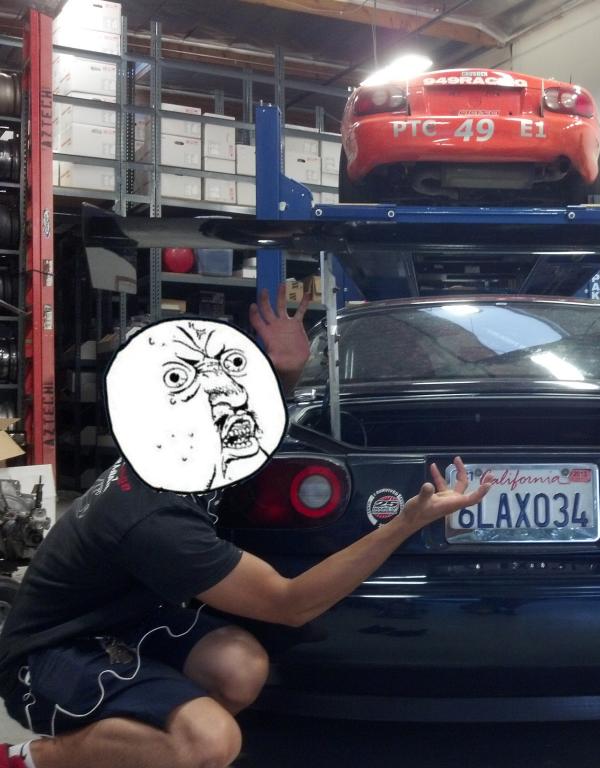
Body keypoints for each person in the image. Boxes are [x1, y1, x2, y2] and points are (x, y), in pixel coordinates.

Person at [0, 285, 491, 768]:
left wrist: (288, 370)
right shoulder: (153, 518)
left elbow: (250, 423)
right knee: (210, 743)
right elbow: (290, 604)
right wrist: (407, 521)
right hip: (47, 654)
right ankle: (31, 757)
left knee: (240, 668)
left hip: (129, 618)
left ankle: (148, 746)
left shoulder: (178, 450)